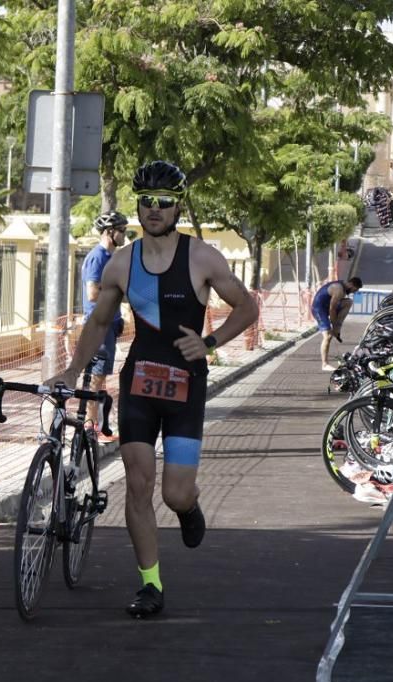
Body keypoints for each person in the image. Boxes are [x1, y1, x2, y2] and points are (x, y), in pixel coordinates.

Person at [46, 161, 258, 618]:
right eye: (146, 201)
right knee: (139, 485)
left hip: (186, 388)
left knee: (174, 494)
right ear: (137, 206)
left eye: (163, 201)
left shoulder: (202, 257)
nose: (154, 209)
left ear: (178, 204)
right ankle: (150, 584)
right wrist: (71, 370)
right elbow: (99, 320)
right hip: (140, 384)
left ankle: (189, 506)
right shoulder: (122, 263)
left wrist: (210, 342)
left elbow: (247, 306)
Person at [80, 210, 129, 441]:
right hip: (98, 325)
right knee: (95, 379)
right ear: (110, 232)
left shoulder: (109, 258)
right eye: (122, 231)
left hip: (107, 324)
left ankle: (95, 425)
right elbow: (92, 293)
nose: (125, 235)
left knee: (100, 378)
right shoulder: (98, 257)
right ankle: (92, 428)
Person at [313, 276, 363, 371]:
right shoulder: (339, 289)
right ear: (351, 284)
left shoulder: (344, 286)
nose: (352, 292)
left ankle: (337, 330)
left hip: (326, 307)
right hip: (319, 309)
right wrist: (333, 324)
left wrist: (336, 327)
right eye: (353, 290)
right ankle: (324, 364)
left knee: (348, 302)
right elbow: (332, 309)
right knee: (327, 336)